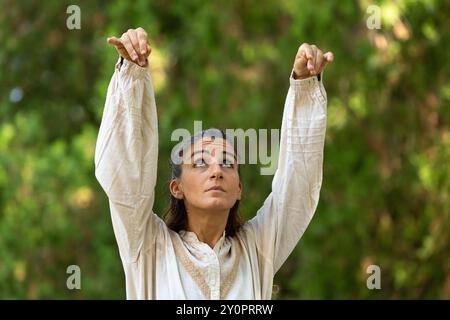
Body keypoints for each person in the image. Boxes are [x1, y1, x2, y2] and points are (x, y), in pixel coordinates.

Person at [95, 27, 333, 299]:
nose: (217, 171)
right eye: (199, 164)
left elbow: (297, 189)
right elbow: (126, 179)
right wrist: (132, 74)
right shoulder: (148, 246)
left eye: (227, 163)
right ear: (177, 187)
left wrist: (304, 84)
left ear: (239, 188)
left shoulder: (256, 249)